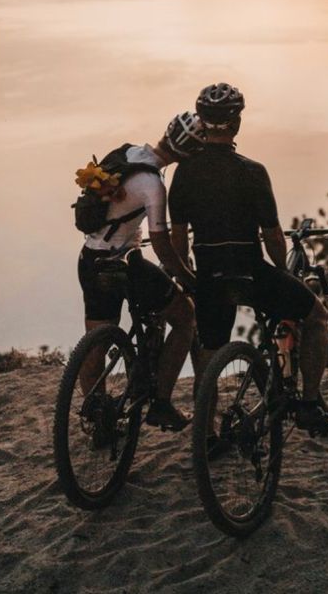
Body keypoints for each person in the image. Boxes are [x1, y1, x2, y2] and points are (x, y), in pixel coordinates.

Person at [169, 83, 328, 440]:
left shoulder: (184, 173)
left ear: (201, 121)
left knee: (209, 353)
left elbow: (177, 237)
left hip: (211, 276)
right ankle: (309, 404)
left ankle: (208, 432)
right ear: (236, 124)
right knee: (316, 316)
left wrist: (188, 277)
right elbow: (274, 236)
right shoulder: (252, 171)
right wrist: (282, 271)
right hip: (249, 272)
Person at [77, 112, 203, 431]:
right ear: (188, 154)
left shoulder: (128, 152)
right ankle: (161, 404)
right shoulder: (154, 186)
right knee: (185, 316)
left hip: (90, 259)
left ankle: (97, 416)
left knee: (95, 343)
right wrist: (187, 277)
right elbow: (161, 245)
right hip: (122, 265)